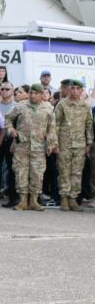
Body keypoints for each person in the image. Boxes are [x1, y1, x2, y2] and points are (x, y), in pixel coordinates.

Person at [5, 84, 56, 211]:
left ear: (41, 94)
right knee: (20, 173)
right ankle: (22, 201)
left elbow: (52, 127)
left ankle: (34, 201)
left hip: (39, 147)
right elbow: (8, 119)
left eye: (36, 93)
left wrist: (51, 144)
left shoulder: (48, 108)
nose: (33, 95)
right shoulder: (21, 105)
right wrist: (11, 130)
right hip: (22, 145)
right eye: (31, 93)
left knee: (37, 174)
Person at [52, 78, 94, 211]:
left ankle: (73, 198)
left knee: (77, 172)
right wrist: (55, 143)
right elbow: (55, 125)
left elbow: (88, 125)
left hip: (80, 144)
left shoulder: (85, 105)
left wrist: (89, 143)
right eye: (72, 88)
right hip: (64, 143)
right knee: (64, 171)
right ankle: (64, 199)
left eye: (77, 89)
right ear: (68, 89)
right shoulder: (62, 104)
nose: (75, 91)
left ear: (82, 91)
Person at [0, 80, 19, 207]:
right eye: (2, 89)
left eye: (7, 89)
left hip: (11, 140)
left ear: (13, 91)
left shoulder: (17, 106)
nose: (4, 91)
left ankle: (11, 194)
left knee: (11, 168)